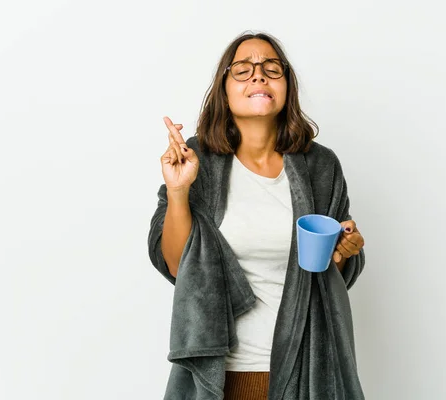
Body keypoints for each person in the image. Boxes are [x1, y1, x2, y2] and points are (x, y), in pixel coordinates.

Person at [148, 31, 366, 400]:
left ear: (287, 85)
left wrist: (344, 252)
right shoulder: (196, 159)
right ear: (224, 87)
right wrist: (179, 190)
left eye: (271, 68)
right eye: (243, 69)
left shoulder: (320, 166)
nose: (258, 76)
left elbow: (332, 276)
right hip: (223, 374)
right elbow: (176, 265)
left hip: (308, 370)